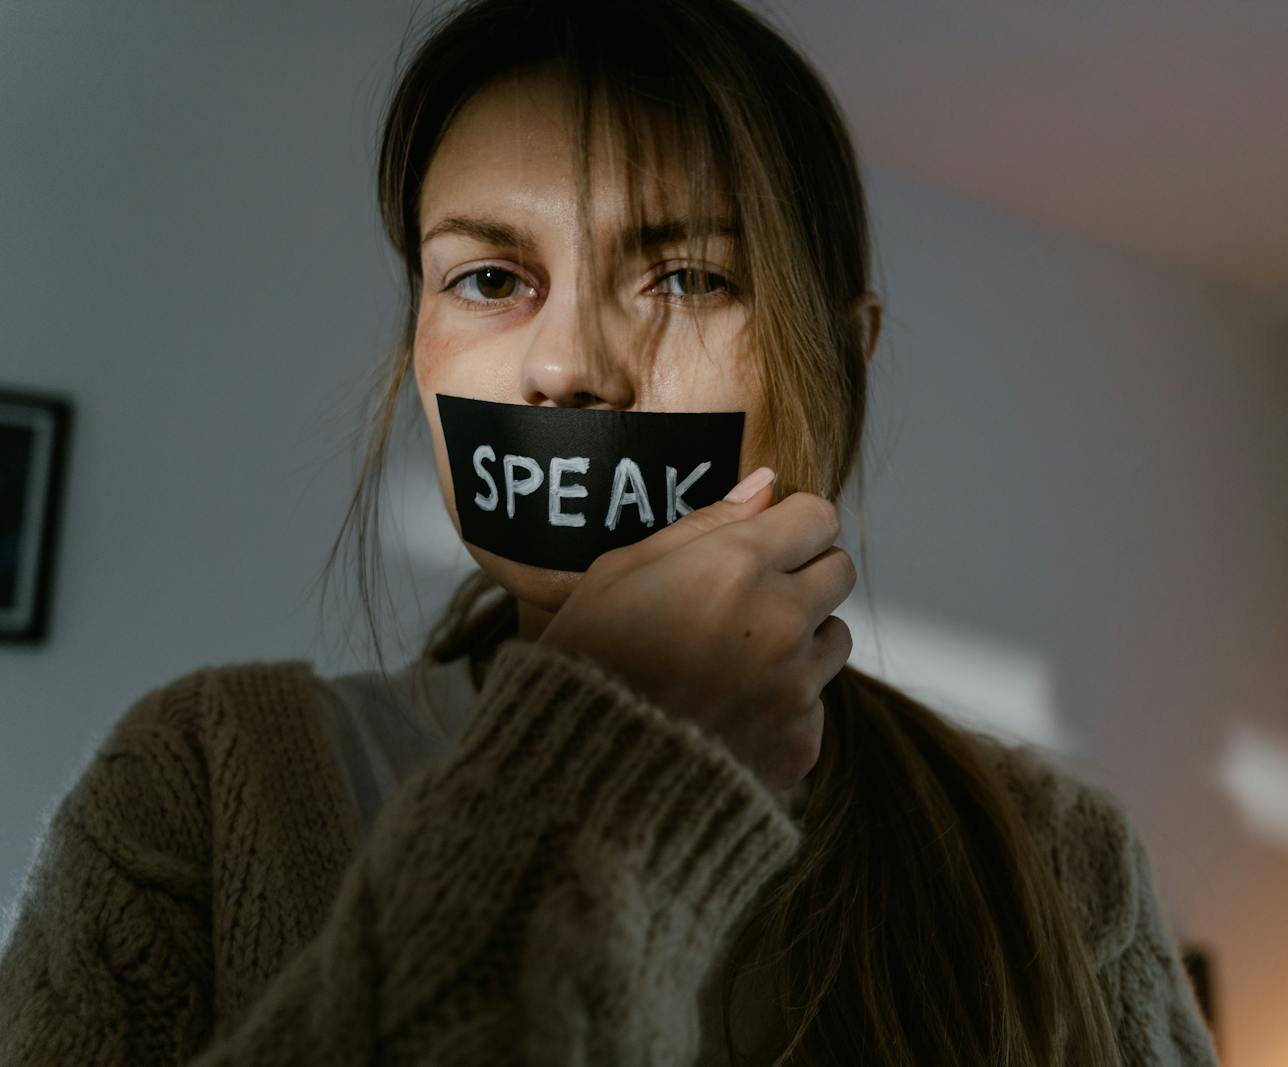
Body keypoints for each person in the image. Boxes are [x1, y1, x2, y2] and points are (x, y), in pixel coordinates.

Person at [0, 1, 1221, 1064]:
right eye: (488, 278)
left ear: (844, 360)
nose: (569, 365)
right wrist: (610, 758)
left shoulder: (1059, 863)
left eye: (685, 275)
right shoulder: (199, 790)